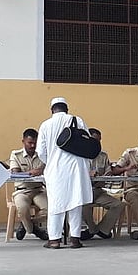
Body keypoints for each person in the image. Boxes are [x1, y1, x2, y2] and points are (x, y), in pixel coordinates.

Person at [36, 97, 93, 249]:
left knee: (56, 204)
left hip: (56, 170)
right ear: (66, 109)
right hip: (77, 169)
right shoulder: (77, 120)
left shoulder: (46, 125)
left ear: (52, 110)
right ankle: (75, 239)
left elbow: (41, 151)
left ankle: (54, 240)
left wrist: (52, 161)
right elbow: (87, 143)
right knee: (76, 202)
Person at [80, 128, 124, 240]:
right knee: (82, 206)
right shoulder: (79, 156)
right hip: (83, 192)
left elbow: (109, 171)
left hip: (98, 191)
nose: (98, 143)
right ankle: (92, 229)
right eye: (95, 140)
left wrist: (108, 174)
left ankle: (102, 230)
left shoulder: (103, 156)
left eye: (99, 140)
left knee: (119, 205)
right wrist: (87, 173)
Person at [9, 128, 49, 241]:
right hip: (22, 190)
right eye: (30, 143)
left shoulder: (42, 155)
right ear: (23, 141)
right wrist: (31, 173)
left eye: (35, 143)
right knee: (22, 208)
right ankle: (35, 230)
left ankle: (27, 224)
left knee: (51, 209)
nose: (32, 146)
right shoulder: (16, 154)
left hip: (38, 190)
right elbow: (15, 173)